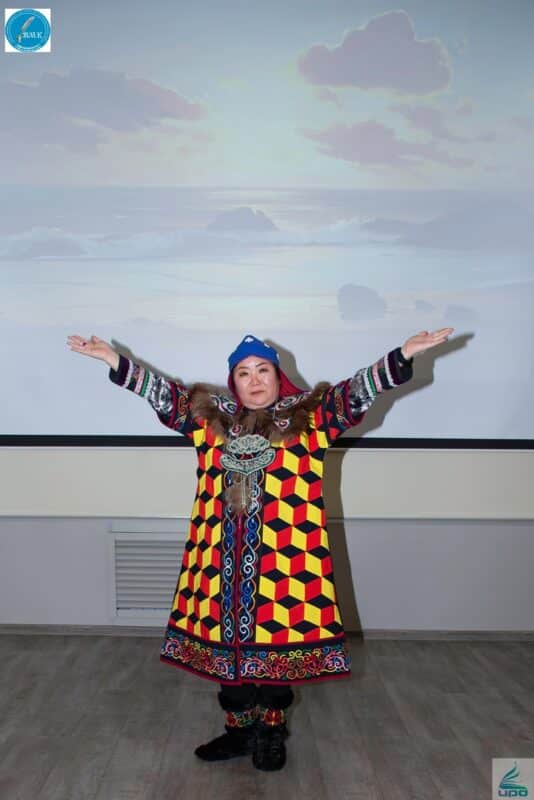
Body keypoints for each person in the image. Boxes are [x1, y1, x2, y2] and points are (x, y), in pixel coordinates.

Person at [67, 327, 453, 770]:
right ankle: (239, 732)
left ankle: (270, 734)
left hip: (286, 569)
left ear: (277, 375)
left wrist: (402, 355)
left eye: (262, 370)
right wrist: (115, 361)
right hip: (218, 566)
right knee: (225, 660)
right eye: (244, 373)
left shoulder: (311, 420)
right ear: (233, 381)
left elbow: (355, 393)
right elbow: (165, 396)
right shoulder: (210, 420)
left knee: (276, 661)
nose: (254, 380)